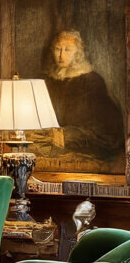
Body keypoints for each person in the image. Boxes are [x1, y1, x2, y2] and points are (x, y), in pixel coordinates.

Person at [40, 28, 125, 168]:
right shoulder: (49, 80)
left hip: (94, 136)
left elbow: (95, 121)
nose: (61, 55)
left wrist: (69, 133)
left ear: (77, 53)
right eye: (57, 49)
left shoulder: (92, 80)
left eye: (67, 50)